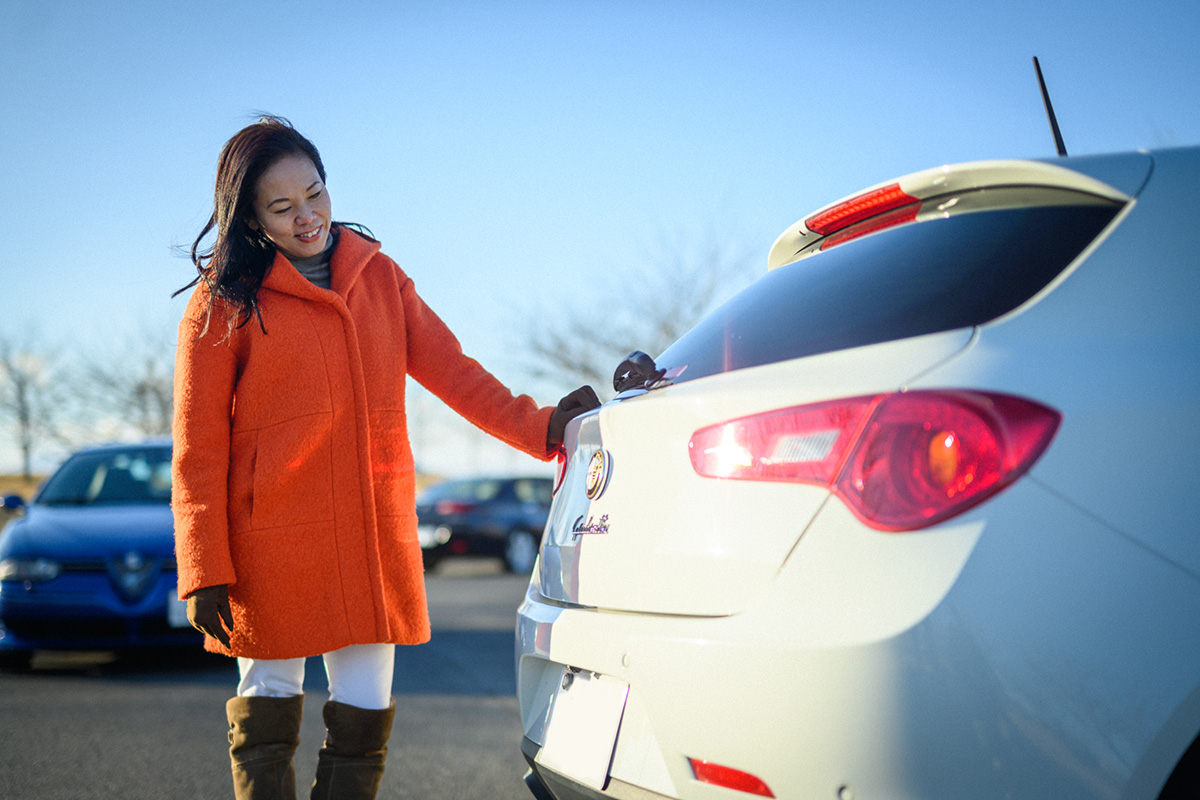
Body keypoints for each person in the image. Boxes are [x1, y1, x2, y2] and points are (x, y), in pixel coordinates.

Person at [171, 115, 599, 800]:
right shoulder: (222, 302)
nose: (306, 216)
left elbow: (456, 374)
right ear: (249, 215)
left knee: (365, 715)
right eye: (282, 207)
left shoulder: (380, 277)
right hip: (270, 540)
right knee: (269, 705)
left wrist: (543, 425)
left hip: (368, 535)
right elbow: (198, 448)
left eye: (315, 194)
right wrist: (203, 566)